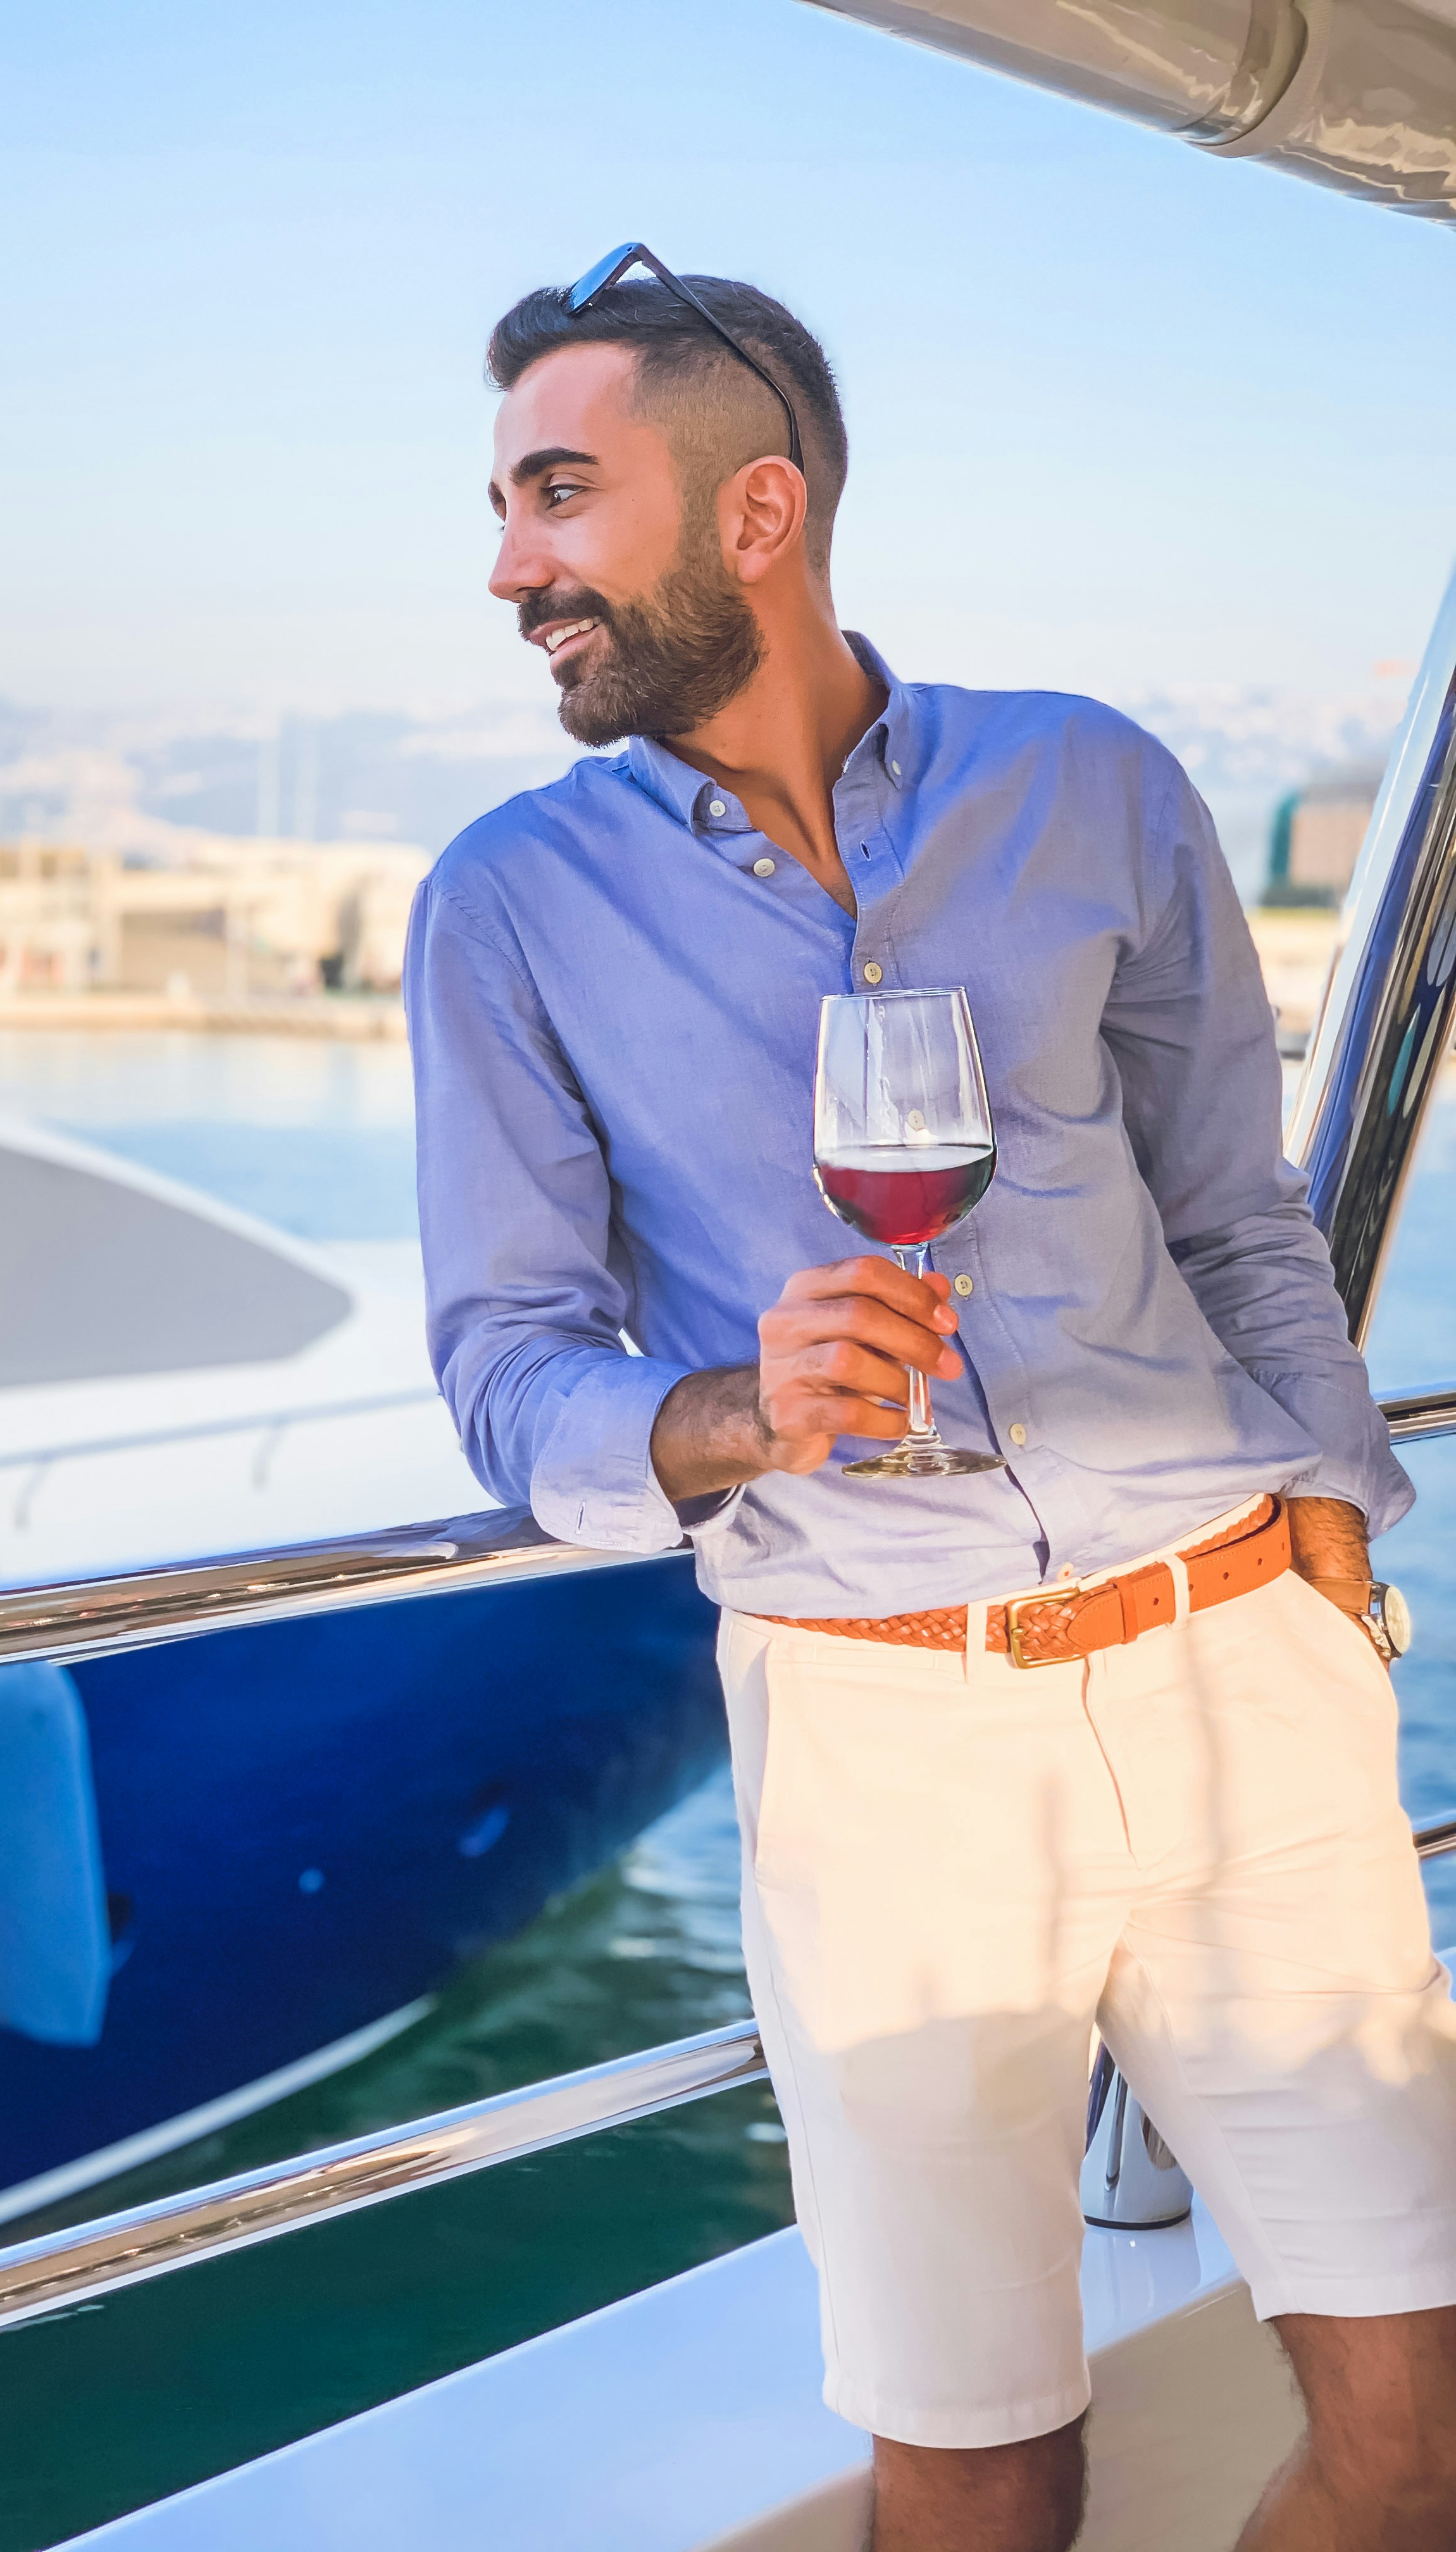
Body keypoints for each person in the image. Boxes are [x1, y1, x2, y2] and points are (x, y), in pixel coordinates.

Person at [403, 250, 1456, 2551]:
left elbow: (1240, 1216)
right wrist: (733, 1414)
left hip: (1239, 1672)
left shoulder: (1086, 780)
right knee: (978, 2470)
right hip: (882, 1733)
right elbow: (501, 1369)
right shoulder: (503, 909)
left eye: (560, 496)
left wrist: (1334, 1530)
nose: (509, 565)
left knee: (1426, 2433)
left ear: (757, 514)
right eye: (501, 505)